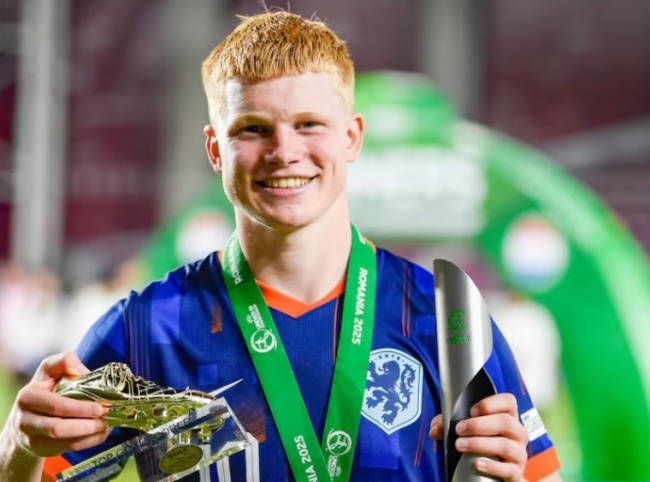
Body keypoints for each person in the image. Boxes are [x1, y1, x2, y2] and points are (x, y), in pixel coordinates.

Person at [0, 11, 562, 482]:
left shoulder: (444, 316)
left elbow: (536, 475)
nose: (283, 151)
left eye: (309, 124)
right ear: (215, 150)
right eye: (252, 128)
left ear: (352, 137)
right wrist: (22, 447)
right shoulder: (147, 326)